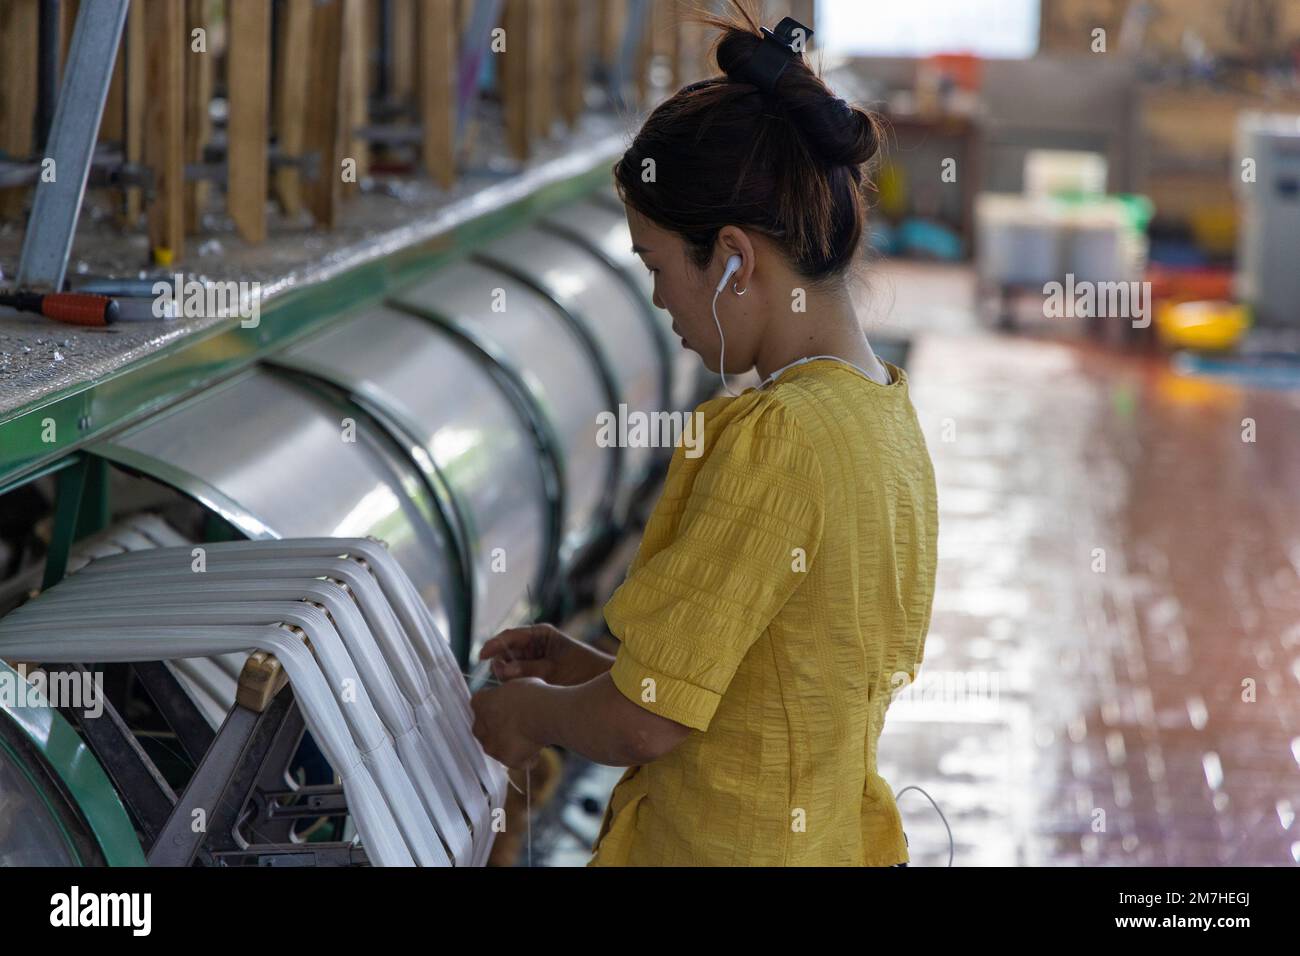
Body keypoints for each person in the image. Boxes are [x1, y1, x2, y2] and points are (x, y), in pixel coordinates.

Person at [469, 0, 938, 866]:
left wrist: (526, 713)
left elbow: (647, 724)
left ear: (732, 257)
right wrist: (577, 666)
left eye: (656, 268)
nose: (657, 301)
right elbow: (762, 678)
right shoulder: (886, 420)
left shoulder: (777, 441)